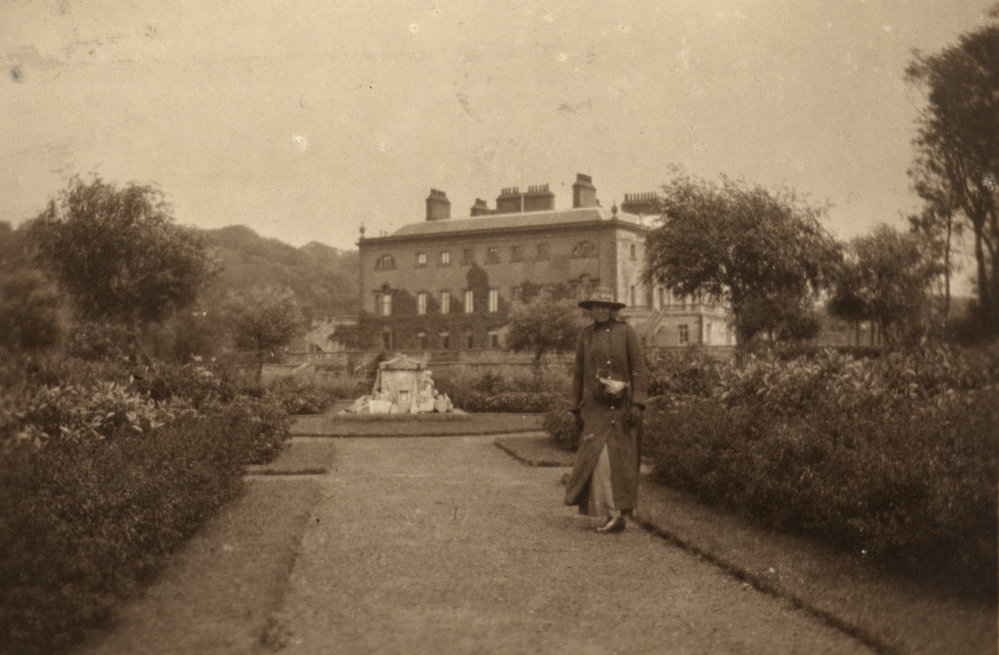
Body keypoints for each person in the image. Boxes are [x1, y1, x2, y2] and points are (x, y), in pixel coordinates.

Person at [564, 286, 648, 533]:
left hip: (622, 410)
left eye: (605, 306)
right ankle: (610, 512)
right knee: (597, 461)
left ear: (612, 310)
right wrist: (576, 406)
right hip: (595, 408)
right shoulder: (585, 335)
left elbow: (639, 370)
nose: (600, 310)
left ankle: (617, 513)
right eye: (596, 306)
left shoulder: (626, 332)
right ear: (591, 309)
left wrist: (637, 403)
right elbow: (579, 372)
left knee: (618, 462)